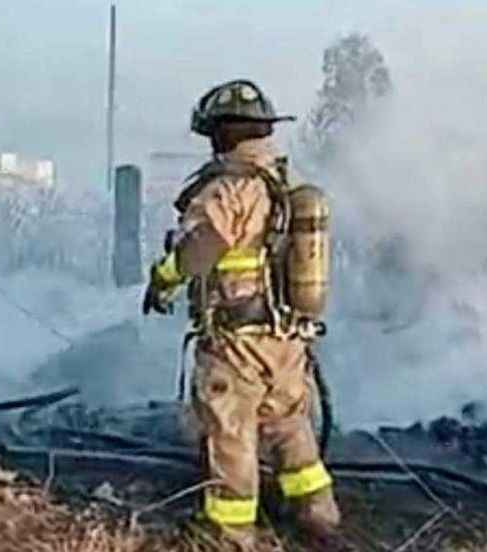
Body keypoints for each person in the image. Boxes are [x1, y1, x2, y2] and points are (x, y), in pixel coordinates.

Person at [142, 79, 341, 547]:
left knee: (229, 431)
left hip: (237, 340)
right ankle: (318, 514)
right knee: (290, 424)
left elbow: (199, 251)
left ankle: (228, 532)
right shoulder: (285, 183)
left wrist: (163, 278)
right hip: (286, 336)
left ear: (224, 133)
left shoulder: (226, 190)